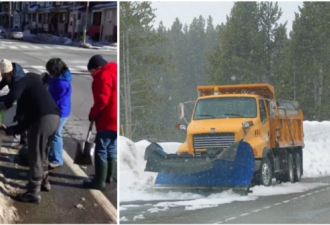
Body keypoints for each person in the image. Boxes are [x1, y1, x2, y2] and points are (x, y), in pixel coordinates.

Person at [0, 59, 60, 204]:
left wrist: (3, 107)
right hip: (54, 117)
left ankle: (33, 193)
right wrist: (11, 130)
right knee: (43, 152)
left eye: (5, 76)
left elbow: (12, 97)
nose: (4, 80)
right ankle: (44, 182)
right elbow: (25, 120)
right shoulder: (30, 80)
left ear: (9, 73)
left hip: (42, 120)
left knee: (36, 155)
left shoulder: (21, 82)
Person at [83, 55, 117, 190]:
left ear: (96, 68)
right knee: (111, 147)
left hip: (108, 118)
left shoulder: (103, 76)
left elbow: (102, 100)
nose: (91, 74)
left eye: (90, 71)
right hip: (116, 118)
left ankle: (99, 181)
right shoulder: (115, 73)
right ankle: (107, 177)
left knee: (101, 149)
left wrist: (93, 114)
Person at [42, 58, 72, 170]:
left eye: (51, 72)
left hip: (59, 111)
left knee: (55, 135)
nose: (50, 74)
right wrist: (48, 79)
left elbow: (55, 99)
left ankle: (57, 159)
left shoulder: (61, 83)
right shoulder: (60, 78)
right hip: (57, 110)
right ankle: (53, 155)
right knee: (53, 134)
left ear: (56, 70)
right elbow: (52, 82)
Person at [0, 59, 28, 147]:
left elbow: (13, 96)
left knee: (21, 117)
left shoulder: (19, 79)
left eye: (3, 74)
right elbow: (1, 84)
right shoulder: (8, 74)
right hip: (15, 95)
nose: (2, 75)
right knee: (18, 117)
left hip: (24, 97)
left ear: (9, 72)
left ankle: (24, 140)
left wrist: (4, 103)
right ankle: (23, 139)